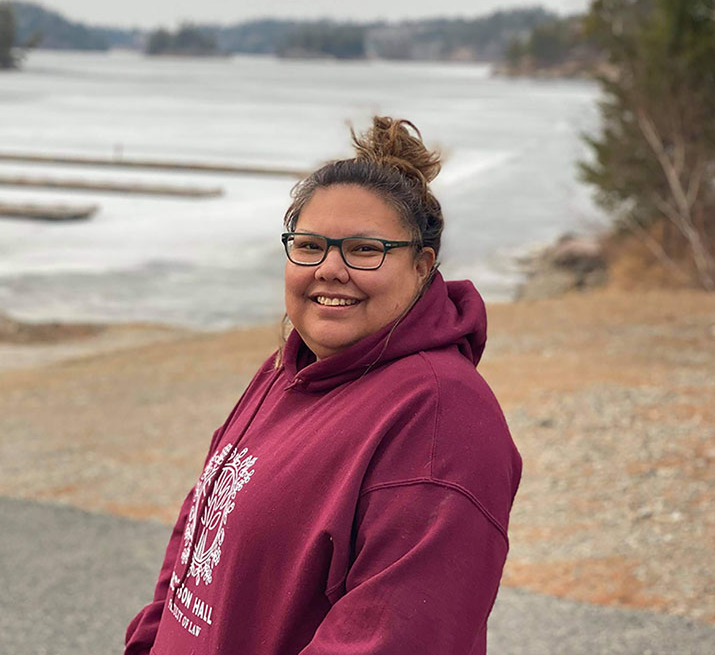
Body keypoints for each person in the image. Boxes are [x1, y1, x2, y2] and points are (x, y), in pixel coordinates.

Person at [123, 117, 522, 655]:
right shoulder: (287, 369)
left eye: (365, 250)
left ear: (422, 266)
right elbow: (196, 537)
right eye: (310, 246)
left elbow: (392, 638)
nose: (330, 269)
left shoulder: (440, 416)